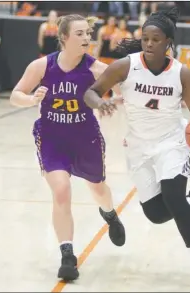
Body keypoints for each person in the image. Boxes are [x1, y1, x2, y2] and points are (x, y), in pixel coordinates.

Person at [84, 7, 190, 291]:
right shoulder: (125, 66)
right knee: (157, 215)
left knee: (173, 196)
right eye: (145, 38)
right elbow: (91, 91)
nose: (148, 43)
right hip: (138, 147)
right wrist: (100, 103)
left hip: (172, 142)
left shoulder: (182, 74)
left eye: (155, 39)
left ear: (168, 42)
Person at [10, 14, 125, 281]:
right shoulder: (42, 66)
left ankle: (109, 214)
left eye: (88, 33)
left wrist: (113, 103)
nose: (88, 38)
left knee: (97, 187)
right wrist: (30, 100)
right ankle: (67, 256)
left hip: (85, 137)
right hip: (51, 136)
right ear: (63, 38)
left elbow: (124, 95)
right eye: (80, 34)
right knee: (61, 190)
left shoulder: (97, 69)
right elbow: (16, 94)